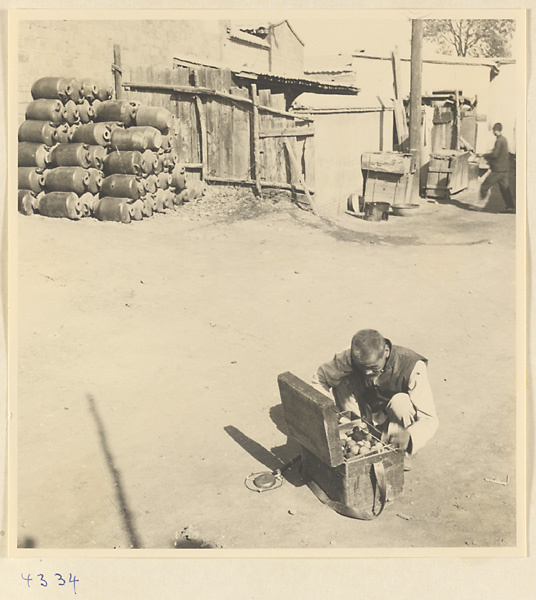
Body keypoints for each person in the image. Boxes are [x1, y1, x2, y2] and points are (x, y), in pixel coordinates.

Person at [312, 329, 438, 462]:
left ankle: (400, 453)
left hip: (393, 420)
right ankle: (357, 431)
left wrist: (410, 436)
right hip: (364, 411)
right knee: (341, 380)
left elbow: (429, 418)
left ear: (386, 352)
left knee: (401, 402)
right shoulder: (350, 357)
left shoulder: (412, 365)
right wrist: (328, 410)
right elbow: (320, 378)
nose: (367, 372)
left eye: (373, 367)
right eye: (362, 367)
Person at [480, 122, 515, 213]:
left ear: (496, 130)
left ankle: (479, 204)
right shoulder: (504, 139)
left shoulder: (499, 141)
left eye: (493, 130)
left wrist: (485, 155)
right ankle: (510, 207)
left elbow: (495, 155)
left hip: (498, 170)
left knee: (484, 186)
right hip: (505, 170)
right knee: (505, 189)